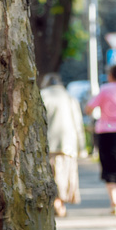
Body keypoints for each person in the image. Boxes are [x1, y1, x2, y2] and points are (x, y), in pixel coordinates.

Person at [40, 73, 86, 217]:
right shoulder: (69, 97)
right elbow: (78, 124)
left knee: (51, 175)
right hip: (68, 144)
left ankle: (57, 203)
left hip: (48, 143)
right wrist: (82, 147)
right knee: (64, 175)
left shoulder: (42, 95)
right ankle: (59, 204)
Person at [86, 64, 116, 214]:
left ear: (110, 76)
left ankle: (114, 203)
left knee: (108, 166)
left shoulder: (105, 90)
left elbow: (89, 108)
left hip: (106, 132)